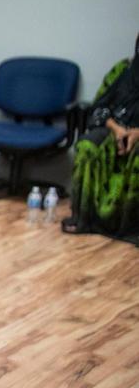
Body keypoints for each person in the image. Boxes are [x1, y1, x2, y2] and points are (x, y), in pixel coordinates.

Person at [64, 33, 139, 243]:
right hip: (114, 126)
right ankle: (84, 217)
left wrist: (135, 133)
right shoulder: (123, 69)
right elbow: (99, 108)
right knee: (87, 145)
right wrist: (117, 130)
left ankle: (130, 224)